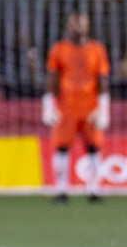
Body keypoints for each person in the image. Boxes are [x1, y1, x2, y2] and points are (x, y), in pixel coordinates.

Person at [43, 11, 111, 204]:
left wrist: (103, 107)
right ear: (67, 26)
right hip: (66, 108)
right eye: (73, 24)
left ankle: (93, 190)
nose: (77, 28)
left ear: (87, 25)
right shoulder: (59, 49)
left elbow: (102, 79)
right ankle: (61, 190)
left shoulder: (97, 50)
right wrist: (48, 104)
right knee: (62, 148)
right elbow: (52, 77)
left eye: (81, 24)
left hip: (90, 108)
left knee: (93, 147)